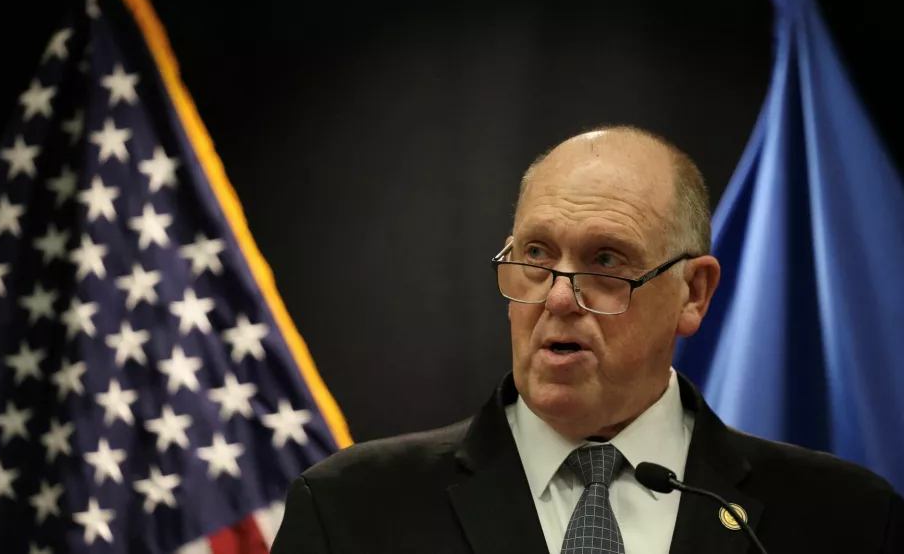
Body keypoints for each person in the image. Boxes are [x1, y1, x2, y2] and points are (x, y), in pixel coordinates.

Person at [270, 126, 903, 554]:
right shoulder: (350, 512)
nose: (556, 297)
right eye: (536, 254)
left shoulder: (845, 520)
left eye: (606, 261)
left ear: (693, 294)